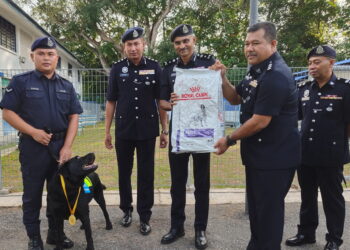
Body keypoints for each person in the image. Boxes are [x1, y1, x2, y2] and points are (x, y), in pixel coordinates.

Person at [212, 22, 301, 250]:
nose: (249, 48)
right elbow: (235, 98)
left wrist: (230, 140)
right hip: (259, 158)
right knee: (259, 213)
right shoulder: (257, 70)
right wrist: (222, 79)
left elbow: (261, 120)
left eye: (255, 43)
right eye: (246, 44)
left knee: (268, 217)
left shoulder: (276, 76)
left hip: (275, 160)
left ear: (272, 44)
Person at [0, 37, 83, 250]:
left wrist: (67, 146)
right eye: (41, 53)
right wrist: (33, 132)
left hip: (59, 148)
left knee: (59, 195)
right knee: (32, 196)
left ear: (56, 57)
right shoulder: (21, 82)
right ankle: (34, 238)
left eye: (50, 54)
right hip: (32, 148)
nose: (46, 58)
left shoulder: (66, 85)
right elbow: (7, 113)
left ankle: (56, 234)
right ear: (32, 56)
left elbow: (74, 116)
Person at [285, 45, 350, 250]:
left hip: (331, 155)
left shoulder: (344, 89)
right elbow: (297, 118)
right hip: (305, 153)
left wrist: (337, 142)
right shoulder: (304, 89)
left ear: (331, 63)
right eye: (310, 63)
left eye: (317, 62)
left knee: (332, 199)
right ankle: (306, 233)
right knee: (307, 196)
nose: (312, 66)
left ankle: (334, 239)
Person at [104, 27, 168, 235]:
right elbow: (111, 102)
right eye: (129, 45)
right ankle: (126, 210)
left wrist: (165, 129)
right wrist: (107, 131)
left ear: (144, 44)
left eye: (136, 44)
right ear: (124, 47)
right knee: (124, 172)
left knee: (146, 174)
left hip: (147, 130)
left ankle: (145, 215)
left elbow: (161, 101)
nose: (133, 48)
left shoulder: (155, 67)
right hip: (124, 130)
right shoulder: (117, 69)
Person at [159, 24, 215, 250]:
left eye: (186, 41)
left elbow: (217, 91)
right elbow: (161, 102)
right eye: (178, 43)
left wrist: (221, 73)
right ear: (174, 45)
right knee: (177, 183)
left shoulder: (208, 62)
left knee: (202, 183)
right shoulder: (168, 68)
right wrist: (170, 102)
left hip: (201, 131)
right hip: (179, 132)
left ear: (194, 40)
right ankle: (177, 226)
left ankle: (200, 228)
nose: (182, 46)